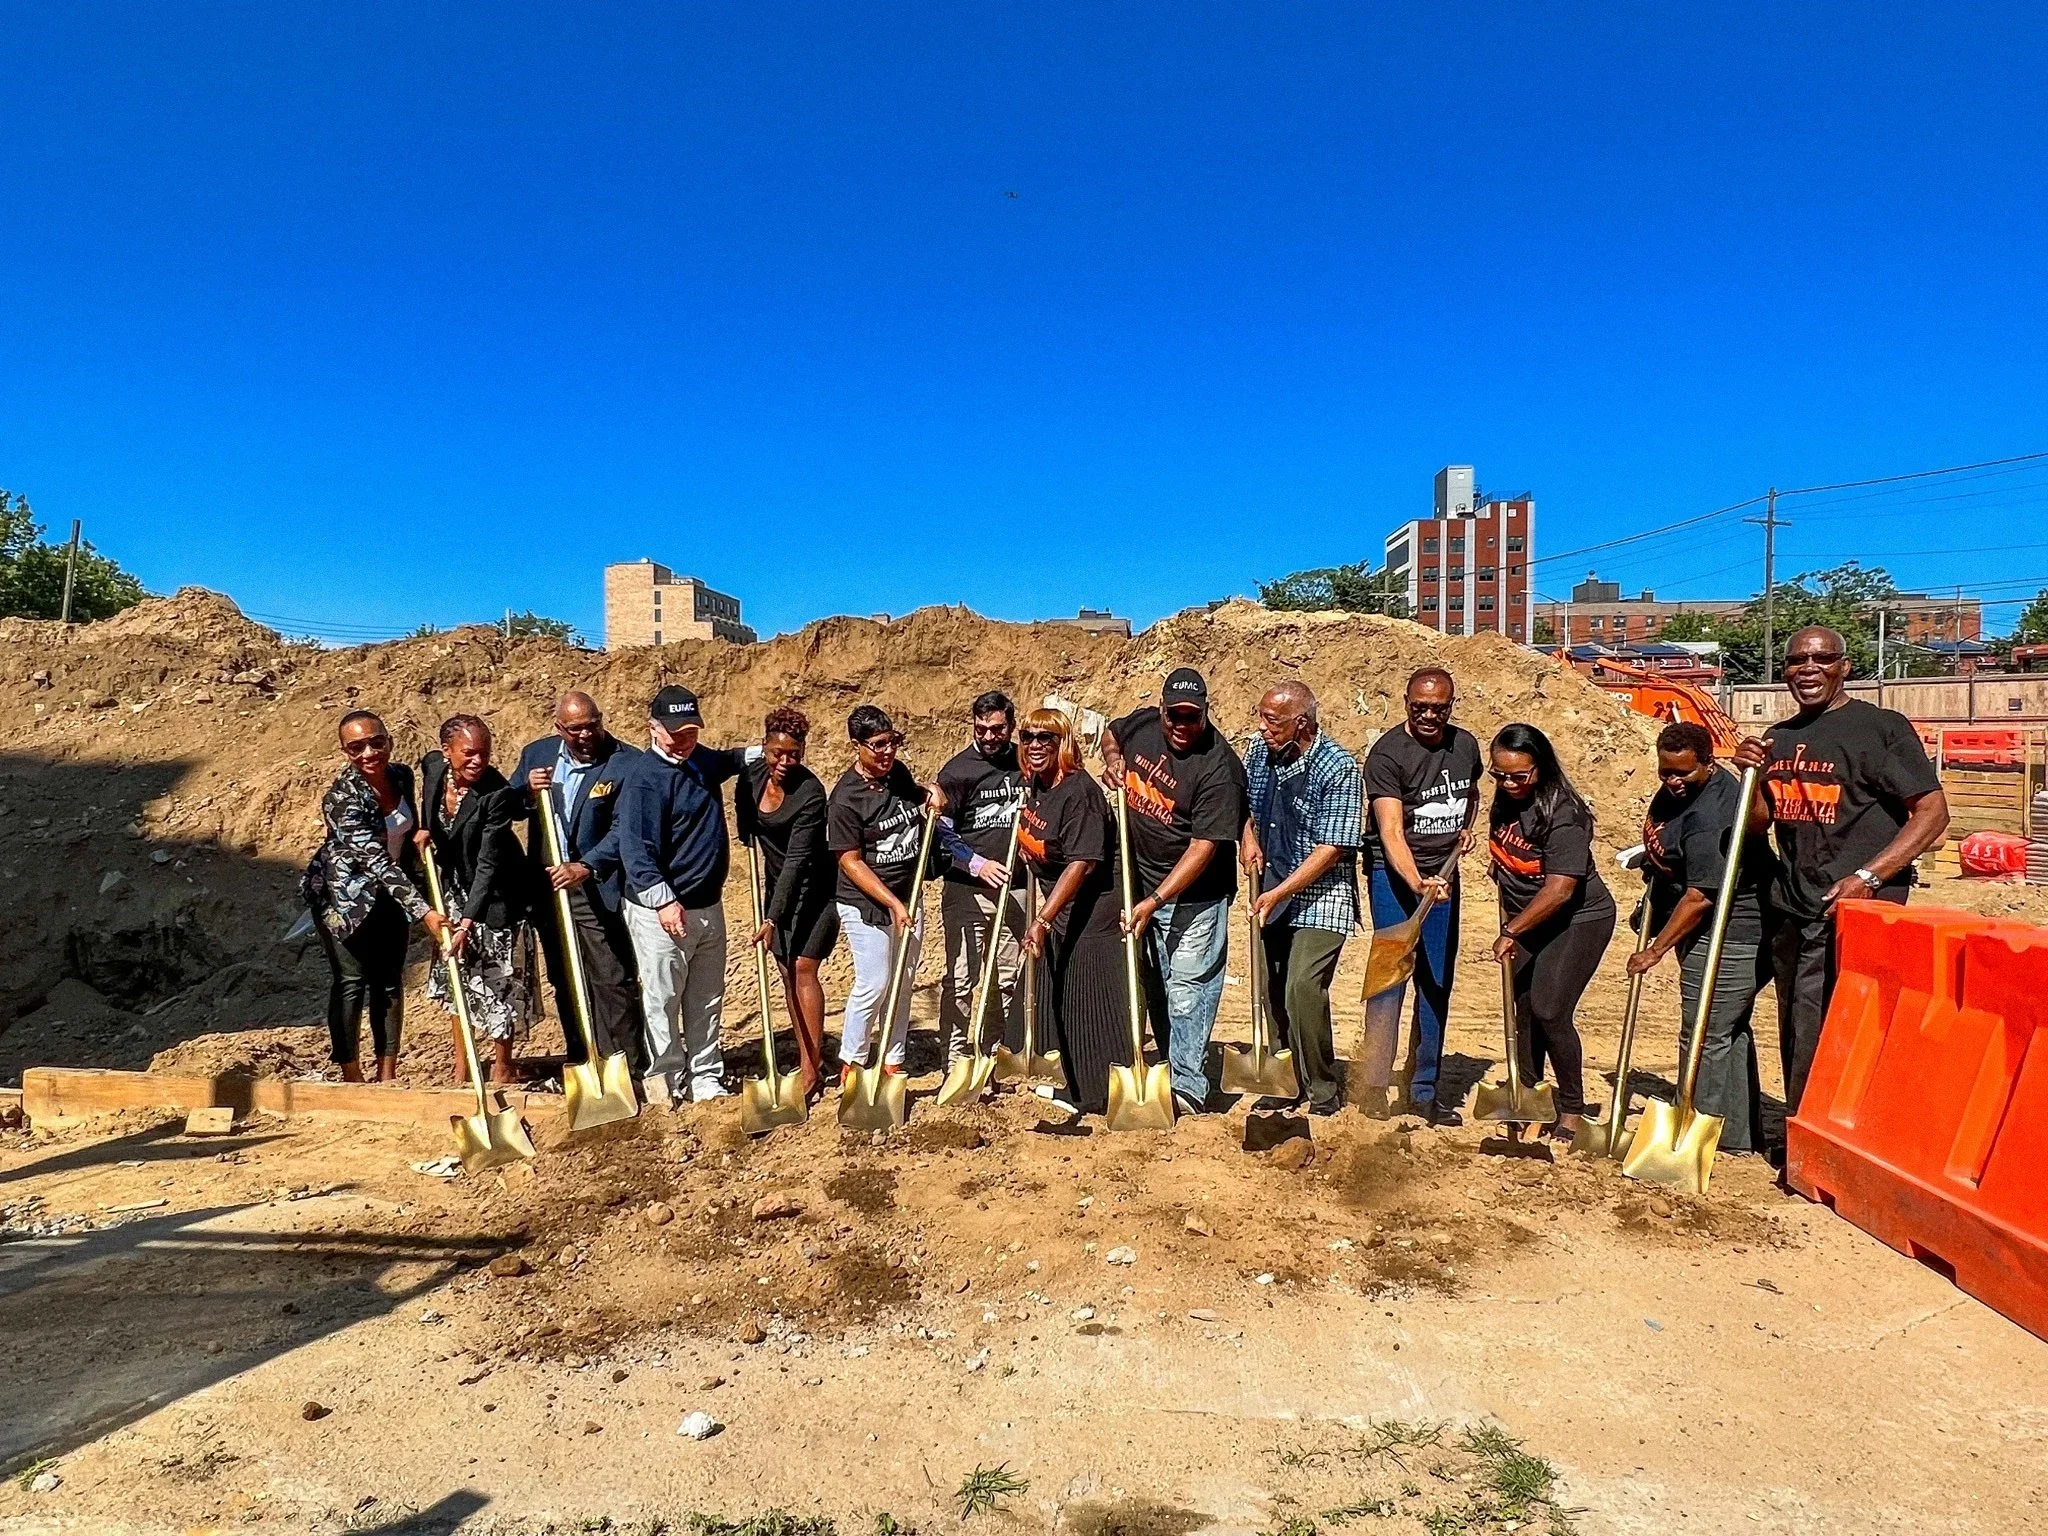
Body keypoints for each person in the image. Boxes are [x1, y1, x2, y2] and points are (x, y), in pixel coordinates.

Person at [1731, 625, 1949, 1120]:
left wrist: (1869, 877)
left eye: (1822, 658)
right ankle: (1806, 1127)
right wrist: (1752, 777)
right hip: (1795, 902)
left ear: (1844, 666)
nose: (1808, 669)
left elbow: (1933, 813)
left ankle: (1839, 1127)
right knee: (1797, 1021)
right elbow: (1759, 825)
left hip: (1862, 905)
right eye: (1795, 661)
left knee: (1851, 1021)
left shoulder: (1880, 728)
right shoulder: (1777, 738)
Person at [1100, 667, 1247, 1114]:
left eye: (1193, 717)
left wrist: (1157, 899)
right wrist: (1113, 759)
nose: (1182, 727)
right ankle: (1169, 1063)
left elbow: (1204, 847)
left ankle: (1188, 1087)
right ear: (1161, 710)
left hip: (1196, 895)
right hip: (1139, 880)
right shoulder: (1143, 724)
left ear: (1206, 713)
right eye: (1174, 717)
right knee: (1153, 982)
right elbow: (1111, 733)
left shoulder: (1219, 768)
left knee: (1188, 988)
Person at [1627, 722, 1773, 1153]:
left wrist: (1654, 951)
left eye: (1683, 774)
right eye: (1664, 773)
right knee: (1727, 1030)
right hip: (1703, 923)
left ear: (1709, 764)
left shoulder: (1711, 816)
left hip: (1732, 929)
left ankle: (1696, 1136)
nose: (1672, 782)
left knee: (1705, 1034)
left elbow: (1700, 897)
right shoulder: (1679, 793)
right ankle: (1733, 1134)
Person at [615, 686, 751, 1106]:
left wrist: (772, 749)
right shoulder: (644, 779)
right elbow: (635, 850)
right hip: (663, 911)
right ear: (653, 729)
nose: (684, 739)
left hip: (708, 903)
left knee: (707, 997)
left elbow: (729, 759)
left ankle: (706, 1075)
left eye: (691, 730)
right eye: (675, 732)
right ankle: (667, 1078)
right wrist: (663, 900)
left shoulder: (700, 760)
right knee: (663, 998)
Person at [1359, 667, 1482, 1124]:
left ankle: (1424, 1088)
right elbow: (1390, 831)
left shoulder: (1465, 745)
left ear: (1451, 705)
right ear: (1406, 701)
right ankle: (1373, 1085)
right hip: (1394, 881)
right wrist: (1416, 883)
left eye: (1439, 707)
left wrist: (1466, 827)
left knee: (1435, 983)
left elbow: (1470, 794)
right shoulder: (1387, 754)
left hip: (1444, 880)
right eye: (1420, 706)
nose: (1429, 714)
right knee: (1388, 984)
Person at [302, 711, 449, 1082]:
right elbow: (375, 861)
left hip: (391, 895)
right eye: (357, 747)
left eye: (376, 742)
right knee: (352, 981)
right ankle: (352, 1074)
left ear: (389, 740)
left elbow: (408, 826)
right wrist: (423, 910)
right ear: (345, 751)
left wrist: (420, 836)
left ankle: (387, 1075)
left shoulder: (400, 776)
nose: (369, 752)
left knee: (388, 980)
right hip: (344, 898)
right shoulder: (340, 799)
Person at [1486, 723, 1616, 1140]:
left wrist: (1512, 930)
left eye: (1519, 776)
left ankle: (1572, 1108)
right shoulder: (1506, 800)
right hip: (1529, 916)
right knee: (1522, 1007)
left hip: (1578, 918)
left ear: (1539, 768)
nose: (1508, 783)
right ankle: (1528, 1093)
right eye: (1499, 775)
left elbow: (1560, 890)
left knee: (1549, 1009)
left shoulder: (1564, 813)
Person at [1240, 682, 1363, 1116]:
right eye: (1262, 717)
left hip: (1321, 895)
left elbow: (1335, 847)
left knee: (1302, 987)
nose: (1263, 728)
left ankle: (1322, 1088)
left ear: (1302, 723)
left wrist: (1280, 891)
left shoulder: (1339, 767)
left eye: (1272, 721)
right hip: (1271, 885)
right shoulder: (1259, 754)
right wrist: (1247, 839)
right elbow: (1244, 806)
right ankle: (1283, 1080)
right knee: (1272, 988)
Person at [510, 692, 644, 1072]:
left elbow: (625, 828)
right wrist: (525, 792)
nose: (585, 735)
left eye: (592, 725)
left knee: (611, 976)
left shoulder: (627, 763)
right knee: (564, 973)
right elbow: (509, 805)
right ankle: (582, 1056)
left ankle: (626, 1064)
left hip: (595, 885)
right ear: (559, 729)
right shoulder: (537, 755)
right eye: (575, 729)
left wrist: (586, 865)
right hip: (549, 886)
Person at [828, 706, 946, 1079]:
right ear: (856, 746)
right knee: (875, 982)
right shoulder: (845, 799)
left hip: (907, 893)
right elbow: (850, 861)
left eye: (892, 742)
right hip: (866, 902)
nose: (887, 752)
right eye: (877, 745)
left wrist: (932, 793)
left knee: (903, 979)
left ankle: (893, 1059)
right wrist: (893, 903)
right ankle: (853, 1060)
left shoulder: (896, 774)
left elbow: (916, 796)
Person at [1015, 707, 1123, 1116]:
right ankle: (1076, 1084)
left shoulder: (1079, 792)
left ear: (1064, 743)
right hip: (1062, 906)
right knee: (1061, 996)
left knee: (1090, 1002)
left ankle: (1097, 1096)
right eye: (1029, 737)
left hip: (1094, 908)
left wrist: (1042, 918)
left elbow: (1082, 862)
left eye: (1047, 738)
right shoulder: (1038, 786)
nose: (1037, 745)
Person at [420, 714, 535, 1085]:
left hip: (499, 895)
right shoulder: (434, 768)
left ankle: (502, 1066)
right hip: (454, 887)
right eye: (468, 754)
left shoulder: (495, 794)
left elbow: (489, 863)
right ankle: (463, 1064)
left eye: (484, 754)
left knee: (498, 980)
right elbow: (426, 793)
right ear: (447, 751)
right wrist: (426, 828)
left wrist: (468, 922)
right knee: (457, 979)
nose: (477, 762)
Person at [736, 706, 839, 1102]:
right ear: (765, 746)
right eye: (777, 752)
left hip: (816, 890)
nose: (784, 762)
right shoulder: (751, 778)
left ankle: (812, 1071)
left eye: (793, 754)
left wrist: (772, 917)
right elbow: (746, 821)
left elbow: (797, 860)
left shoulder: (810, 793)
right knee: (784, 969)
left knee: (802, 968)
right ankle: (807, 1053)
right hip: (776, 887)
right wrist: (746, 828)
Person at [935, 691, 1025, 1069]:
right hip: (967, 891)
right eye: (981, 728)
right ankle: (956, 1057)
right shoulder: (957, 771)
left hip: (1016, 887)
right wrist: (976, 864)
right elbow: (939, 831)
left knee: (1006, 977)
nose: (989, 737)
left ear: (1011, 725)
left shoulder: (1027, 761)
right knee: (962, 976)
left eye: (997, 729)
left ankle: (990, 1050)